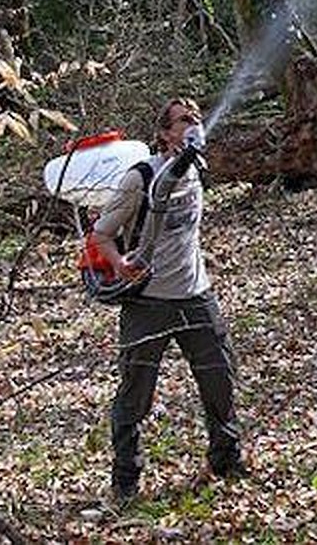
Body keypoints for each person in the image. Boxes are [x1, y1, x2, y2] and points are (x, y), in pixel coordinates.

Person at [92, 97, 245, 505]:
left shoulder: (197, 169)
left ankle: (227, 461)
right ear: (164, 133)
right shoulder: (140, 178)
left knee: (220, 380)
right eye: (184, 120)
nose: (194, 124)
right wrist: (120, 264)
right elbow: (101, 234)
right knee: (135, 395)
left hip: (196, 296)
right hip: (148, 303)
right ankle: (126, 481)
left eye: (196, 117)